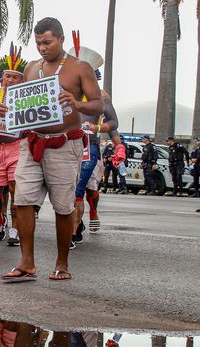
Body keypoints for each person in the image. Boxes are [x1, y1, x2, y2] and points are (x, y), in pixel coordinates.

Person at [1, 18, 103, 282]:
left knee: (62, 206)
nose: (42, 48)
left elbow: (97, 106)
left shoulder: (80, 68)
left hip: (64, 144)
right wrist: (9, 111)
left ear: (60, 39)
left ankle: (61, 263)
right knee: (22, 200)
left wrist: (76, 103)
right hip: (32, 143)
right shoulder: (31, 68)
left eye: (47, 42)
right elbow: (25, 106)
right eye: (38, 43)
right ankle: (26, 263)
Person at [68, 39, 118, 242]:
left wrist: (101, 130)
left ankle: (76, 228)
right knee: (71, 188)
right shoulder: (63, 91)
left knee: (86, 188)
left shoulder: (101, 97)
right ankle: (75, 225)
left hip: (90, 147)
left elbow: (113, 122)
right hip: (66, 144)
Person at [0, 45, 27, 247]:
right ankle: (0, 219)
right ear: (2, 78)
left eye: (15, 77)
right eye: (7, 76)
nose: (10, 80)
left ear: (22, 80)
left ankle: (15, 228)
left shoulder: (26, 98)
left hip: (15, 147)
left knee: (15, 189)